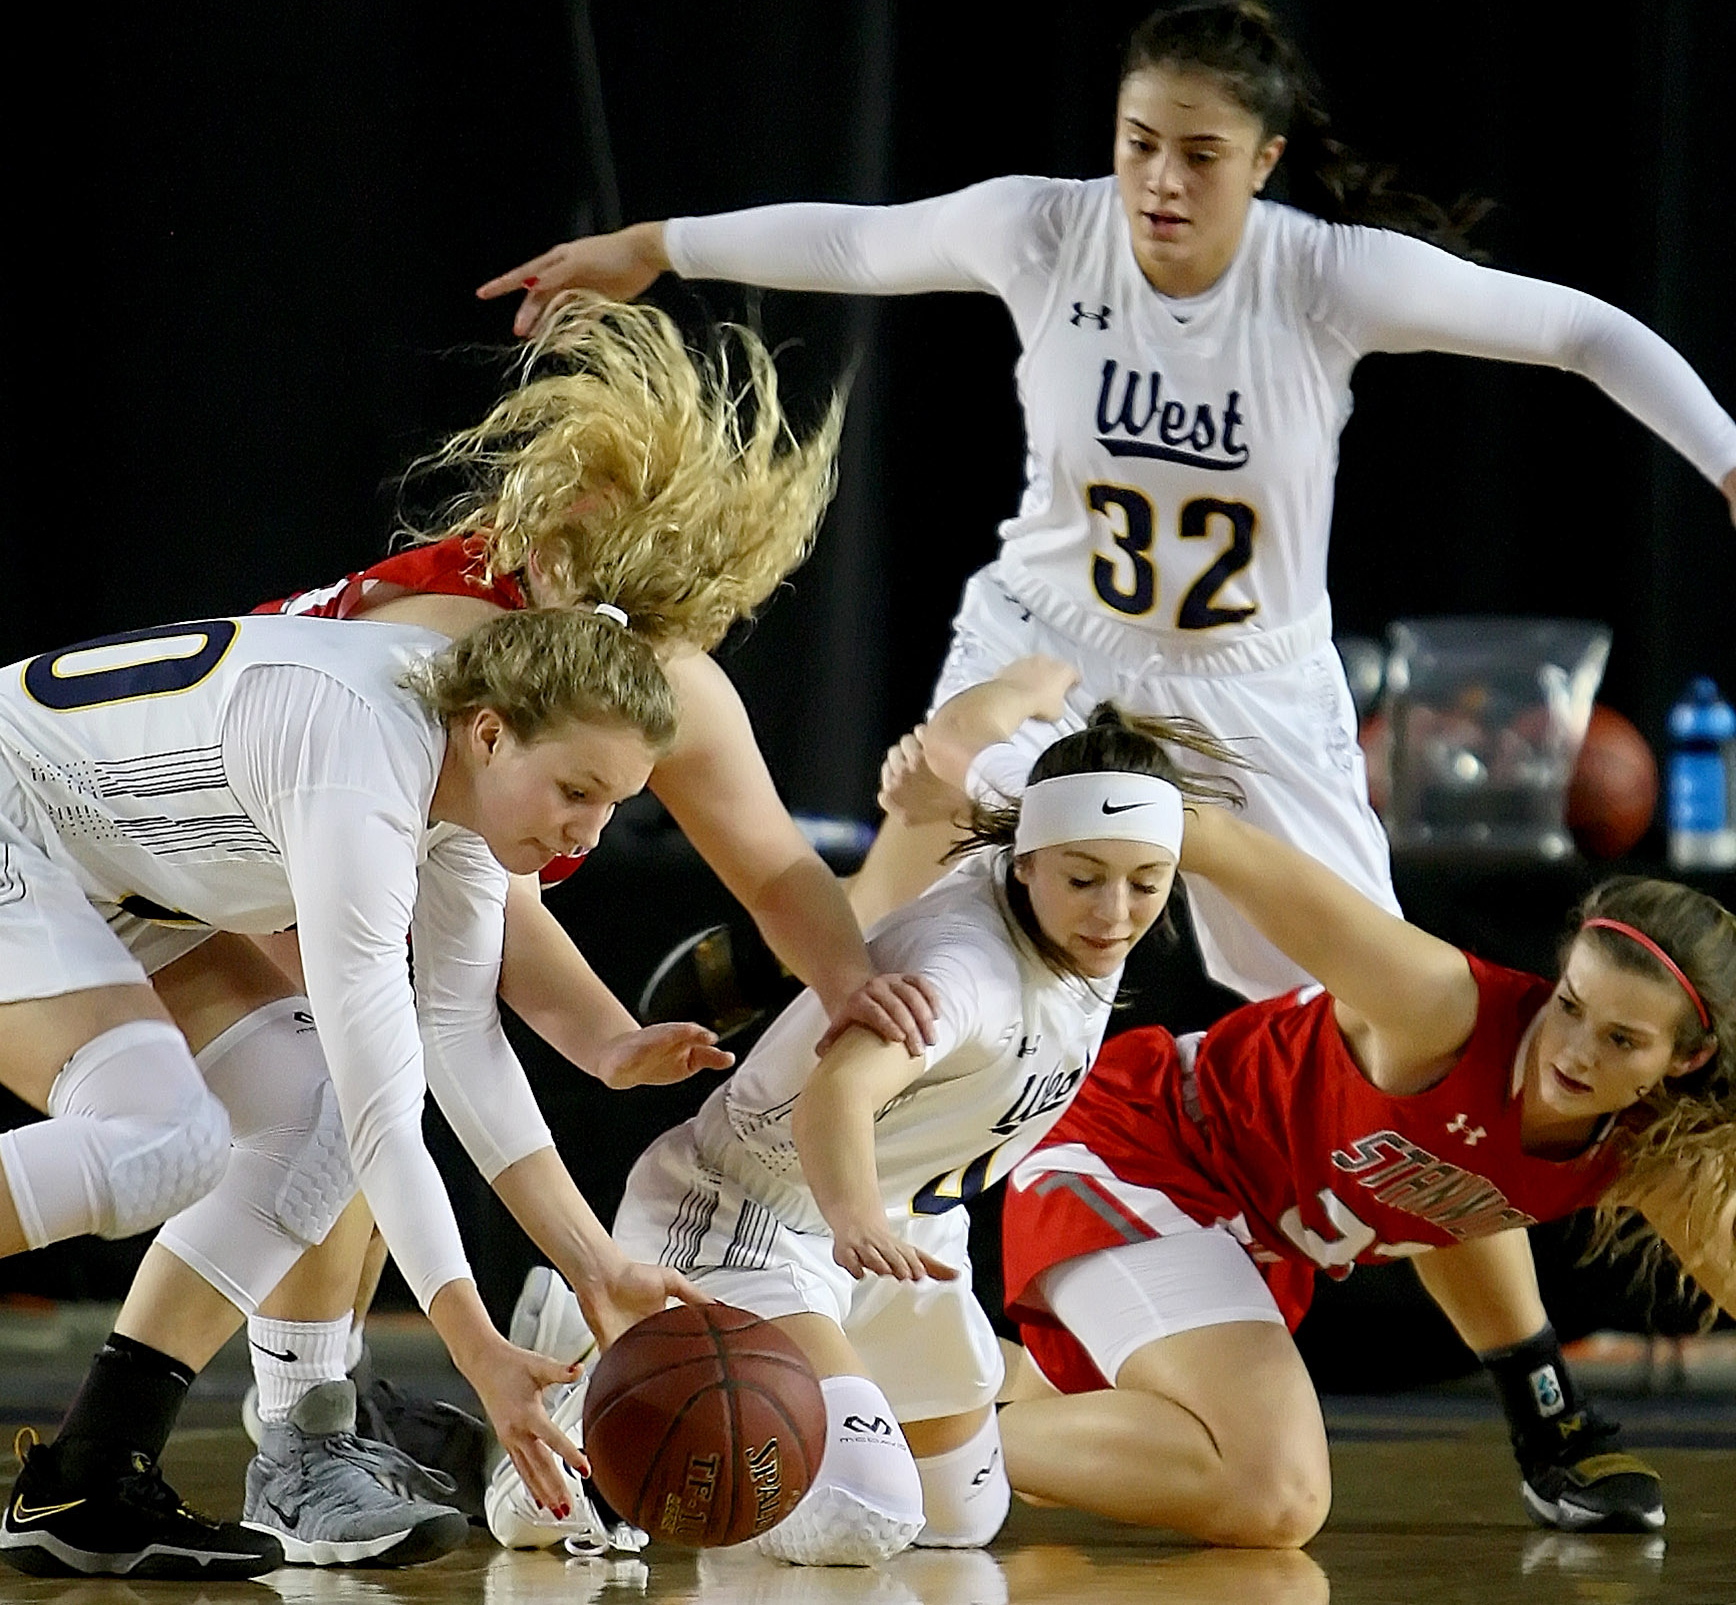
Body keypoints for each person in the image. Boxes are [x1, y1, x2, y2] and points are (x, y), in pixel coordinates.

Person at [479, 0, 1736, 994]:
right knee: (912, 938)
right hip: (1049, 637)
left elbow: (1584, 329)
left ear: (1265, 158)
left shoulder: (1325, 277)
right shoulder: (1046, 229)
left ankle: (1525, 1367)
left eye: (1199, 153)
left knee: (1379, 1013)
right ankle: (781, 1056)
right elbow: (857, 240)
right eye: (1138, 145)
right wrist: (651, 246)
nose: (1162, 181)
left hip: (1253, 677)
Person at [115, 295, 946, 1568]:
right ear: (555, 535)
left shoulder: (646, 670)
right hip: (190, 847)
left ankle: (297, 1420)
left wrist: (846, 981)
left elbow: (769, 863)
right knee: (343, 1104)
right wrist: (598, 1043)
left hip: (262, 866)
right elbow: (476, 927)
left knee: (346, 1110)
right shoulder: (447, 651)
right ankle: (298, 1429)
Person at [993, 804, 1736, 1552]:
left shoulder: (1651, 1152)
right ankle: (890, 1446)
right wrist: (1066, 803)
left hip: (1238, 1233)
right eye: (1569, 1005)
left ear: (1680, 1063)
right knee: (1276, 1490)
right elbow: (1222, 841)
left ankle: (921, 1378)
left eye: (1619, 1040)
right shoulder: (1437, 1004)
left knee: (1084, 1457)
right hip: (1138, 1151)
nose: (1573, 1052)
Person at [0, 609, 710, 1579]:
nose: (586, 831)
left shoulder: (458, 773)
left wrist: (595, 1261)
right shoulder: (360, 764)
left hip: (101, 862)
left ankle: (87, 1475)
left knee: (314, 1115)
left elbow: (464, 1042)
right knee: (160, 1140)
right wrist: (477, 1345)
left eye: (613, 805)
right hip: (22, 819)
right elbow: (395, 1111)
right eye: (576, 790)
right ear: (494, 732)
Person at [486, 679, 1243, 1565]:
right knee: (857, 1522)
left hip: (902, 1230)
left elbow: (969, 734)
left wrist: (1045, 676)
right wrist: (853, 1221)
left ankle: (678, 1360)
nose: (1114, 911)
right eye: (1085, 879)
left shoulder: (1059, 851)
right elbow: (833, 1099)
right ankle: (594, 1394)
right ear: (1028, 860)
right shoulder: (966, 972)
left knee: (960, 1520)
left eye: (1146, 883)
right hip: (760, 1213)